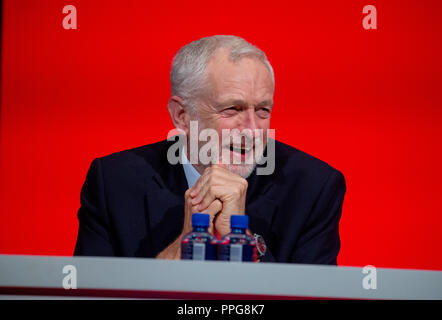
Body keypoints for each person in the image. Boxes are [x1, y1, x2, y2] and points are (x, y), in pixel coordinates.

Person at [74, 35, 346, 264]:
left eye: (263, 110)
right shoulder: (114, 182)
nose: (252, 129)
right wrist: (188, 240)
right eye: (232, 109)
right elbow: (93, 293)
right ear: (181, 115)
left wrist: (241, 239)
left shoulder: (313, 187)